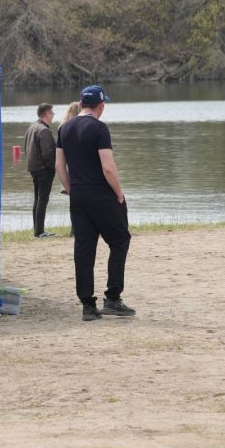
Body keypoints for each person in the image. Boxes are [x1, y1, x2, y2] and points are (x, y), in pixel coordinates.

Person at [56, 85, 134, 321]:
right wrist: (119, 194)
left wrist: (71, 189)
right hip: (101, 193)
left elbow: (60, 166)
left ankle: (87, 305)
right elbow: (108, 167)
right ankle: (112, 298)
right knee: (120, 240)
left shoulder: (64, 128)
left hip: (78, 193)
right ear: (101, 106)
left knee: (84, 247)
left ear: (80, 104)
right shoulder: (99, 128)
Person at [23, 103, 57, 238]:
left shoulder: (31, 128)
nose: (53, 116)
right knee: (43, 199)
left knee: (37, 199)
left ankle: (37, 230)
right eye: (52, 113)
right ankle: (40, 231)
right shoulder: (44, 130)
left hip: (33, 168)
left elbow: (26, 148)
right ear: (47, 114)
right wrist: (54, 166)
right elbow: (48, 153)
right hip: (44, 169)